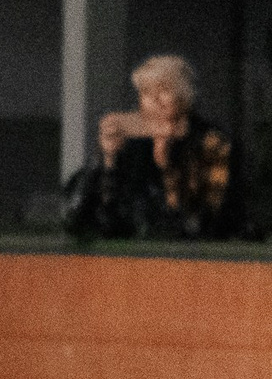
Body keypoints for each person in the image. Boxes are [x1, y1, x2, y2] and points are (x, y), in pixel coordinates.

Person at [62, 54, 240, 240]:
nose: (154, 100)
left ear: (184, 97)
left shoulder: (211, 141)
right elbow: (90, 219)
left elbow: (204, 221)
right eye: (146, 92)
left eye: (164, 90)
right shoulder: (133, 141)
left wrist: (166, 167)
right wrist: (108, 161)